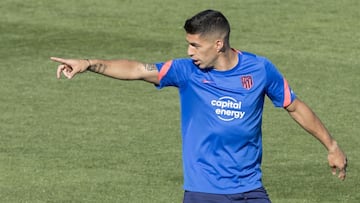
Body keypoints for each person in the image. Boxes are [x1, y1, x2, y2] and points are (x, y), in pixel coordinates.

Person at [51, 9, 347, 203]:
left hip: (250, 190)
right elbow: (137, 69)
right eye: (188, 44)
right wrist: (89, 64)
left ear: (218, 44)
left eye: (195, 45)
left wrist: (331, 145)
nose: (189, 52)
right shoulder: (187, 72)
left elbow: (294, 106)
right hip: (205, 192)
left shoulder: (259, 70)